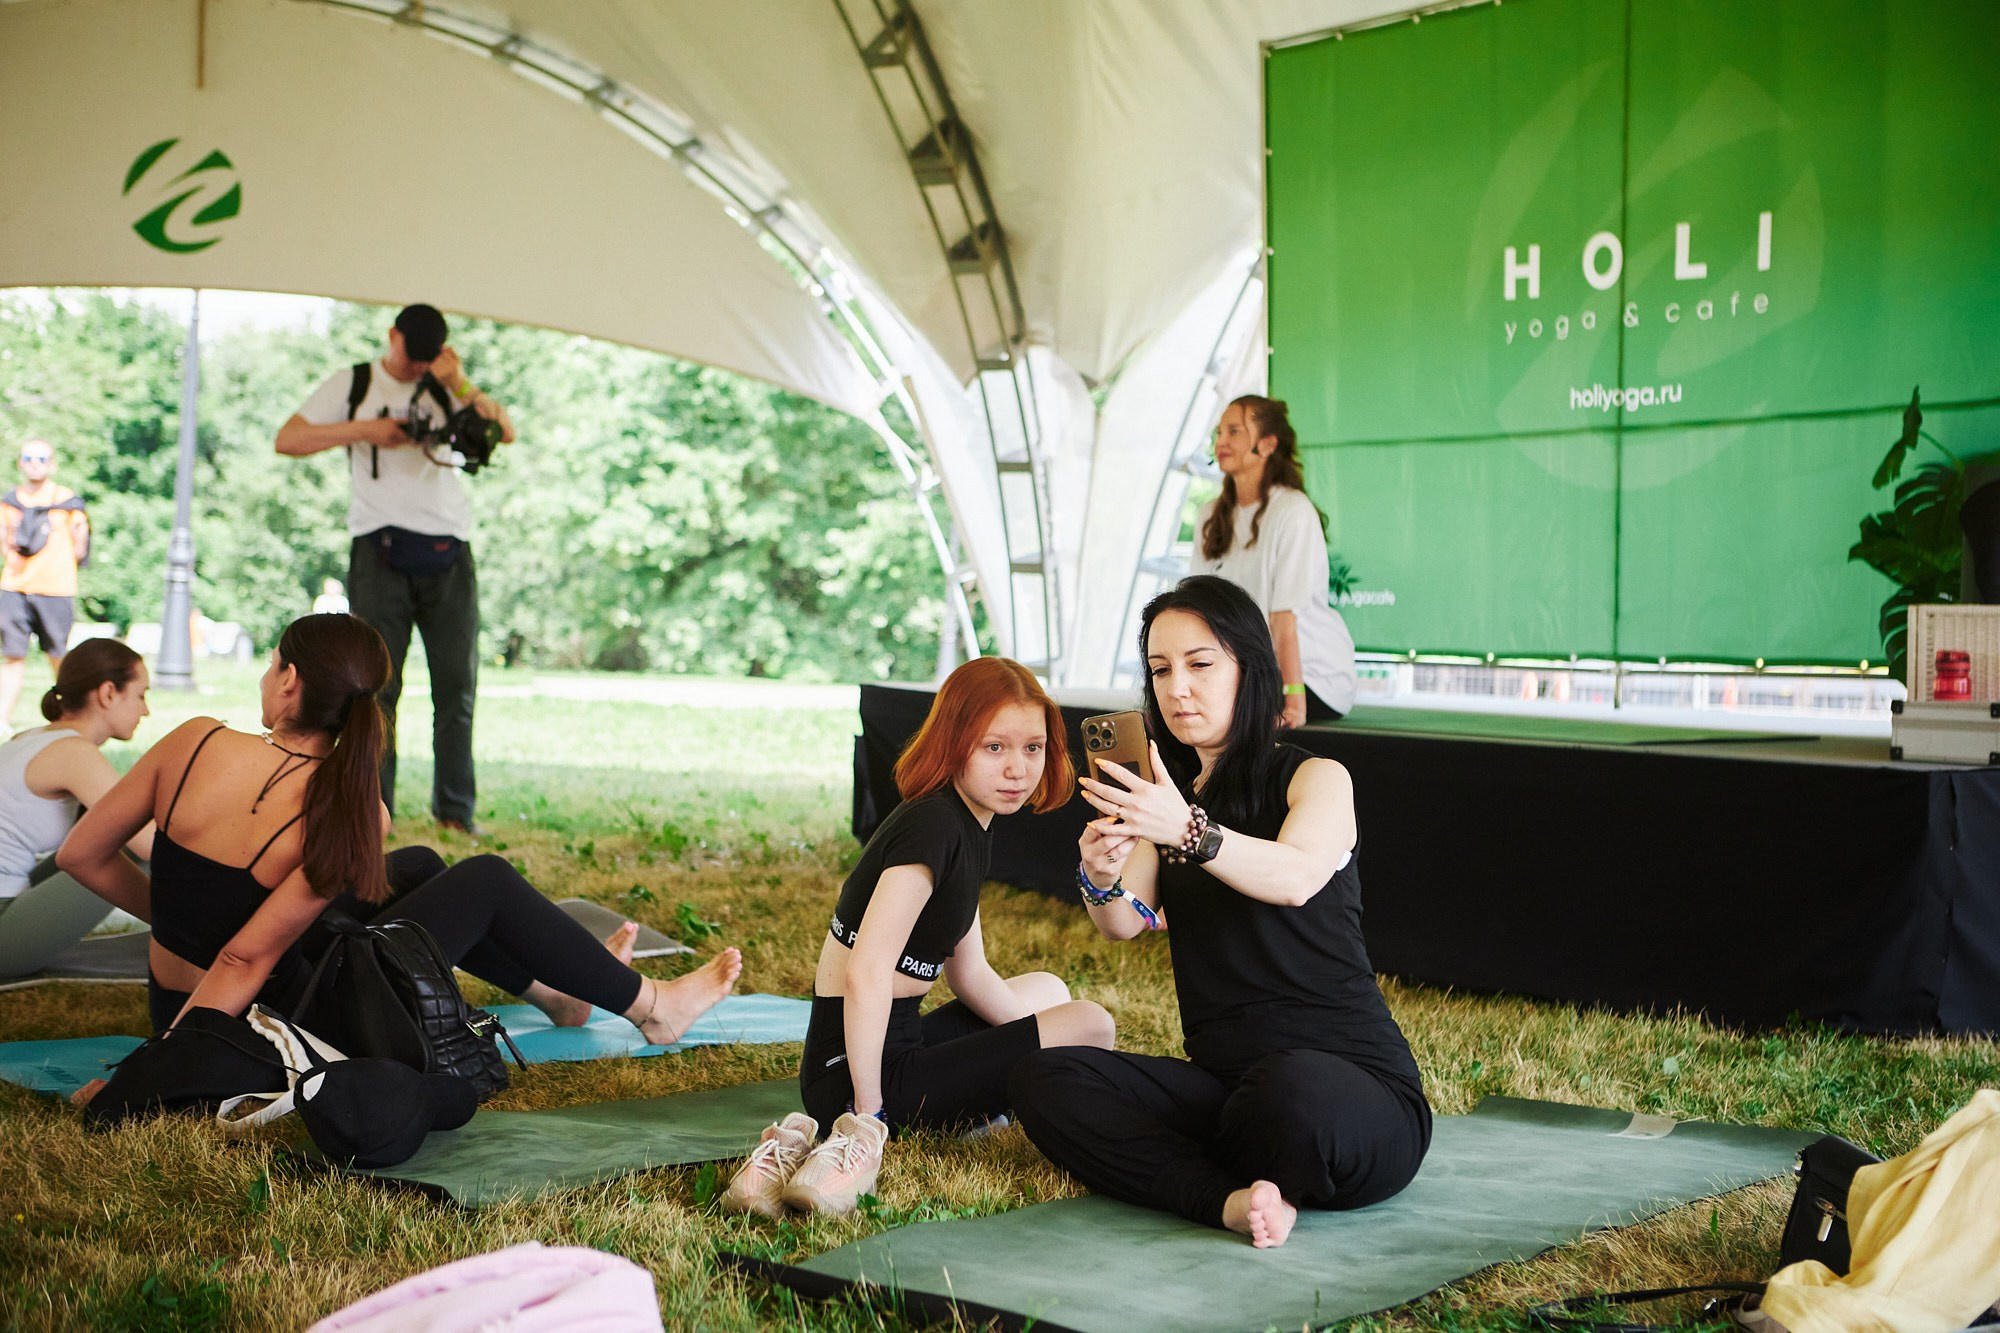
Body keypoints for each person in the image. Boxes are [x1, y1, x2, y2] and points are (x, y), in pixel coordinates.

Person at [57, 614, 739, 1058]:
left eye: (270, 666)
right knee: (487, 880)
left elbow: (79, 854)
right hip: (260, 1024)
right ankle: (653, 1006)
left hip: (181, 1002)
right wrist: (159, 1067)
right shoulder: (351, 803)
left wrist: (178, 913)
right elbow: (238, 962)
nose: (266, 678)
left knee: (417, 865)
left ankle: (558, 992)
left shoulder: (191, 738)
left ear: (290, 681)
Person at [1008, 576, 1430, 1249]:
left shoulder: (1314, 777)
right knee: (1045, 1074)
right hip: (1227, 1093)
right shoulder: (1167, 804)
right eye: (1160, 669)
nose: (1178, 688)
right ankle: (1231, 1199)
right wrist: (1098, 873)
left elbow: (1294, 877)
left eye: (1201, 664)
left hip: (1350, 1095)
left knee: (1292, 1090)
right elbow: (1124, 921)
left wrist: (1187, 829)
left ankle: (1234, 1167)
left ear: (1249, 669)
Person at [722, 656, 1115, 1219]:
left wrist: (1027, 1037)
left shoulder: (968, 822)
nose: (1018, 769)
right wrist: (869, 1114)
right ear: (954, 743)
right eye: (994, 747)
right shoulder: (932, 825)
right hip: (859, 1068)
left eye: (1033, 748)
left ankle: (981, 1110)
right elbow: (866, 971)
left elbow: (971, 973)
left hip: (899, 1040)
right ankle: (870, 1133)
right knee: (1092, 1023)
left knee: (1049, 991)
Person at [275, 305, 516, 834]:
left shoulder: (447, 383)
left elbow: (506, 433)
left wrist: (459, 382)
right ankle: (373, 809)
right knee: (376, 687)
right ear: (393, 338)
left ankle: (455, 811)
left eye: (426, 359)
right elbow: (287, 439)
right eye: (411, 356)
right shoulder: (356, 382)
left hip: (450, 546)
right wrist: (370, 430)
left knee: (457, 684)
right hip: (379, 547)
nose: (414, 368)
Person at [1192, 396, 1356, 725]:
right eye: (1219, 433)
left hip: (1310, 679)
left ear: (1266, 446)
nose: (1221, 442)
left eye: (1234, 432)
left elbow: (1283, 621)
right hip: (1245, 678)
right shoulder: (1210, 514)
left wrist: (1293, 703)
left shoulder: (1292, 511)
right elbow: (1198, 610)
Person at [0, 639, 153, 978]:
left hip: (11, 902)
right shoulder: (73, 752)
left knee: (113, 837)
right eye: (141, 695)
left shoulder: (31, 737)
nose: (146, 710)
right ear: (108, 693)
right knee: (133, 846)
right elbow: (150, 844)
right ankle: (196, 942)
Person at [1, 439, 90, 730]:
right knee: (13, 656)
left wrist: (58, 567)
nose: (34, 463)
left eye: (42, 458)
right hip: (15, 587)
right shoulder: (9, 501)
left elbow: (80, 545)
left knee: (58, 655)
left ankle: (72, 715)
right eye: (28, 457)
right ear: (20, 463)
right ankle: (2, 721)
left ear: (52, 464)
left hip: (56, 589)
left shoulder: (67, 502)